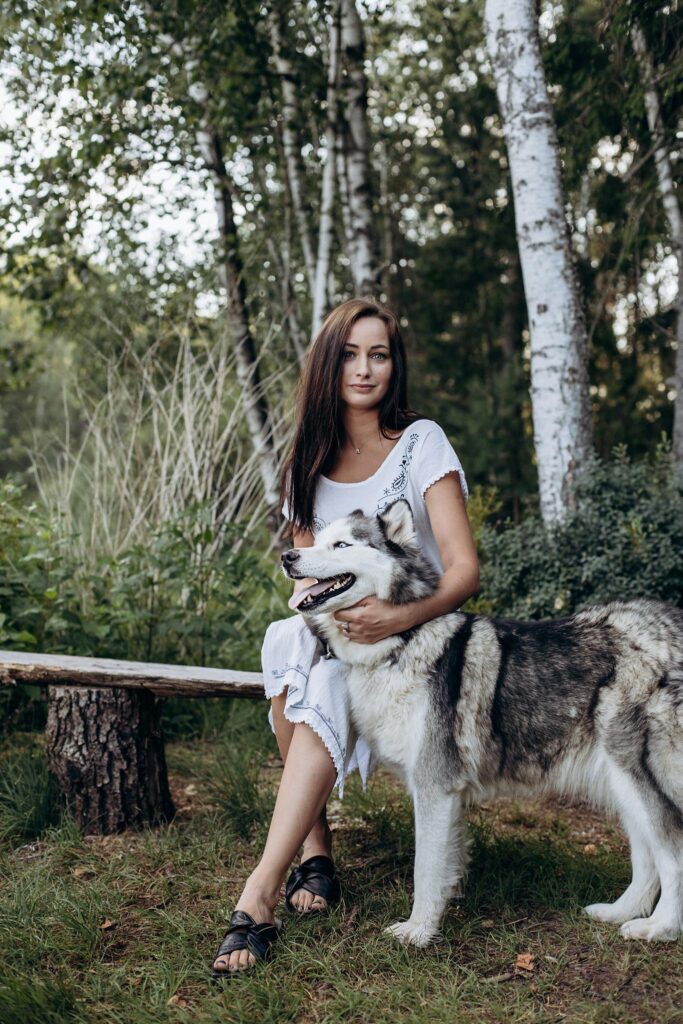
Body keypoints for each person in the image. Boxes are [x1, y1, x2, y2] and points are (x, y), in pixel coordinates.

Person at [211, 297, 480, 976]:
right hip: (339, 632)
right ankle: (314, 847)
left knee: (322, 671)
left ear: (394, 364)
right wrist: (335, 627)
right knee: (291, 643)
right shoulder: (306, 460)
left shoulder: (420, 442)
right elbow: (309, 586)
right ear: (328, 365)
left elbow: (463, 570)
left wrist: (395, 618)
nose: (364, 369)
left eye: (379, 354)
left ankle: (262, 891)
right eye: (350, 355)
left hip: (414, 640)